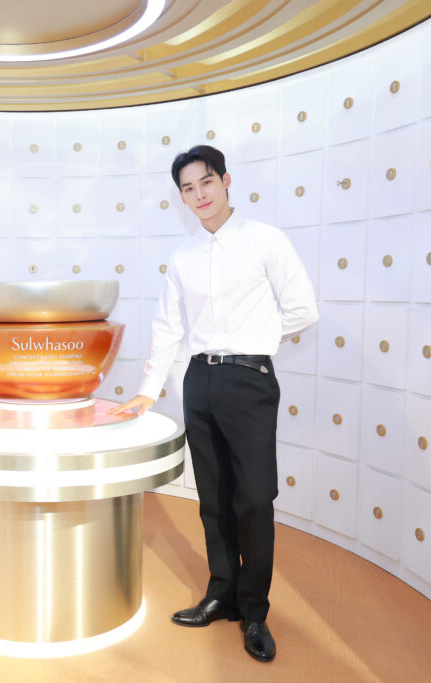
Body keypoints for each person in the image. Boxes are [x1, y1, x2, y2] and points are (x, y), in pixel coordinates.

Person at [110, 144, 318, 663]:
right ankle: (221, 594)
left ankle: (254, 611)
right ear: (180, 197)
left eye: (206, 182)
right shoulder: (182, 258)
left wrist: (254, 339)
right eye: (188, 188)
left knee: (255, 500)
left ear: (226, 181)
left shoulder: (265, 240)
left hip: (249, 380)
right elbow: (167, 327)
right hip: (199, 381)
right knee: (214, 499)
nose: (199, 194)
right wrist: (148, 388)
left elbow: (302, 310)